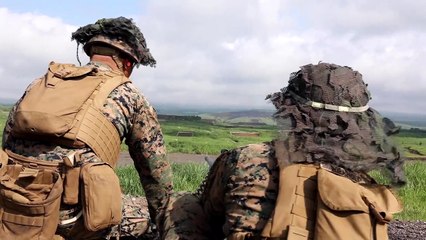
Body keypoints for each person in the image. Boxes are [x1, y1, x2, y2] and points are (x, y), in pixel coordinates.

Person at [161, 62, 405, 240]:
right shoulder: (367, 186)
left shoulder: (247, 157)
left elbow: (209, 210)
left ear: (291, 110)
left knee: (183, 205)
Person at [0, 17, 172, 240]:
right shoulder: (130, 95)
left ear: (91, 52)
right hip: (71, 220)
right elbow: (156, 179)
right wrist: (165, 224)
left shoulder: (40, 84)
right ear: (127, 64)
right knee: (142, 212)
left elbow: (7, 143)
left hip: (13, 207)